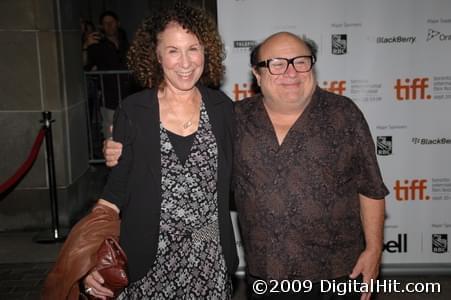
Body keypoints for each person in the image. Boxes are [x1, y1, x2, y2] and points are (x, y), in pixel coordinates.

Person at [105, 32, 388, 300]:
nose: (291, 72)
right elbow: (186, 158)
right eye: (276, 64)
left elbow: (371, 187)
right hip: (266, 274)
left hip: (337, 273)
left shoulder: (343, 114)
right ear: (257, 74)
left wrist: (374, 249)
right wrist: (125, 145)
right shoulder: (235, 117)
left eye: (301, 62)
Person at [83, 3, 238, 300]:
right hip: (146, 260)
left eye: (193, 49)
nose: (185, 62)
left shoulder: (223, 110)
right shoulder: (134, 111)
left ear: (206, 52)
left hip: (209, 262)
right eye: (173, 51)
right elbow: (114, 194)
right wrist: (90, 259)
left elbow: (245, 177)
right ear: (156, 55)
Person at [83, 10, 131, 139]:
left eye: (111, 22)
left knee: (131, 130)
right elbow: (85, 65)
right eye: (105, 23)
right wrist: (85, 46)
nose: (109, 25)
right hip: (109, 96)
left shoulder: (126, 42)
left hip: (129, 94)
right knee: (112, 132)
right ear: (101, 26)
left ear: (118, 23)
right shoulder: (97, 45)